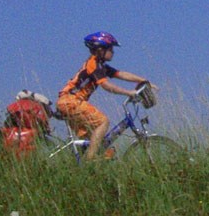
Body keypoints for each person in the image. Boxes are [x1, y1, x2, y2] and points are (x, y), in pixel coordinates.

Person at [56, 32, 153, 161]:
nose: (113, 52)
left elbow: (120, 74)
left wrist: (143, 81)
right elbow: (106, 86)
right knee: (103, 122)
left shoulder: (100, 66)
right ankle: (90, 160)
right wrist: (129, 92)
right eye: (110, 48)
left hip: (70, 102)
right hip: (71, 101)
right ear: (100, 50)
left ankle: (83, 168)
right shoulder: (93, 64)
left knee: (92, 141)